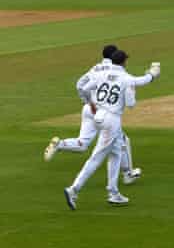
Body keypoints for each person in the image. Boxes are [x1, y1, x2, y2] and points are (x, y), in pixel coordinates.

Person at [63, 51, 160, 210]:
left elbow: (85, 88)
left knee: (116, 153)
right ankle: (73, 189)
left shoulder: (102, 73)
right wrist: (152, 74)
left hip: (99, 116)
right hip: (112, 120)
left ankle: (113, 193)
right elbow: (139, 85)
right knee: (96, 158)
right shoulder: (125, 78)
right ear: (123, 62)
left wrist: (91, 103)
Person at [44, 45, 143, 186]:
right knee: (122, 140)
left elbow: (80, 85)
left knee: (82, 144)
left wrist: (88, 102)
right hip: (105, 112)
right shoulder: (115, 70)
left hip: (89, 109)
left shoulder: (96, 68)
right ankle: (127, 174)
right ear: (115, 56)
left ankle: (60, 144)